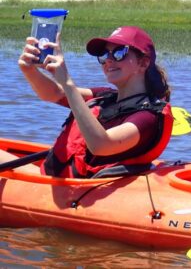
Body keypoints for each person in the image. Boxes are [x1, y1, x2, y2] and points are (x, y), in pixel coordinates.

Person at [1, 26, 173, 178]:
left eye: (120, 53)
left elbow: (101, 145)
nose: (109, 60)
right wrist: (28, 69)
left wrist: (67, 82)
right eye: (104, 54)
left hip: (81, 191)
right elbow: (54, 93)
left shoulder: (147, 117)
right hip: (57, 181)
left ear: (143, 63)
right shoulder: (105, 96)